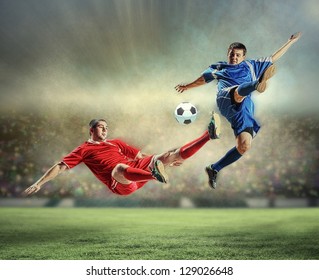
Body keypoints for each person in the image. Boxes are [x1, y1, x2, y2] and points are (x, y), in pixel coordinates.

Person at [175, 32, 302, 189]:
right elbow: (202, 79)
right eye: (231, 54)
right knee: (237, 92)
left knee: (244, 145)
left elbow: (273, 58)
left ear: (243, 56)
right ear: (228, 54)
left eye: (237, 55)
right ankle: (257, 85)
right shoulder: (218, 67)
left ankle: (214, 168)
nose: (234, 57)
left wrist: (290, 41)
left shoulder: (251, 65)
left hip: (244, 108)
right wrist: (186, 86)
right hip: (226, 97)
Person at [23, 116, 220, 196]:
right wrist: (40, 183)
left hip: (136, 171)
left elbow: (141, 155)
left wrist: (162, 161)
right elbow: (60, 166)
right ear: (91, 129)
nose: (105, 130)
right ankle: (155, 175)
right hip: (121, 182)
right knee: (119, 168)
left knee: (169, 154)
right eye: (101, 127)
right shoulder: (83, 149)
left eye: (107, 127)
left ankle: (207, 135)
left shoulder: (116, 143)